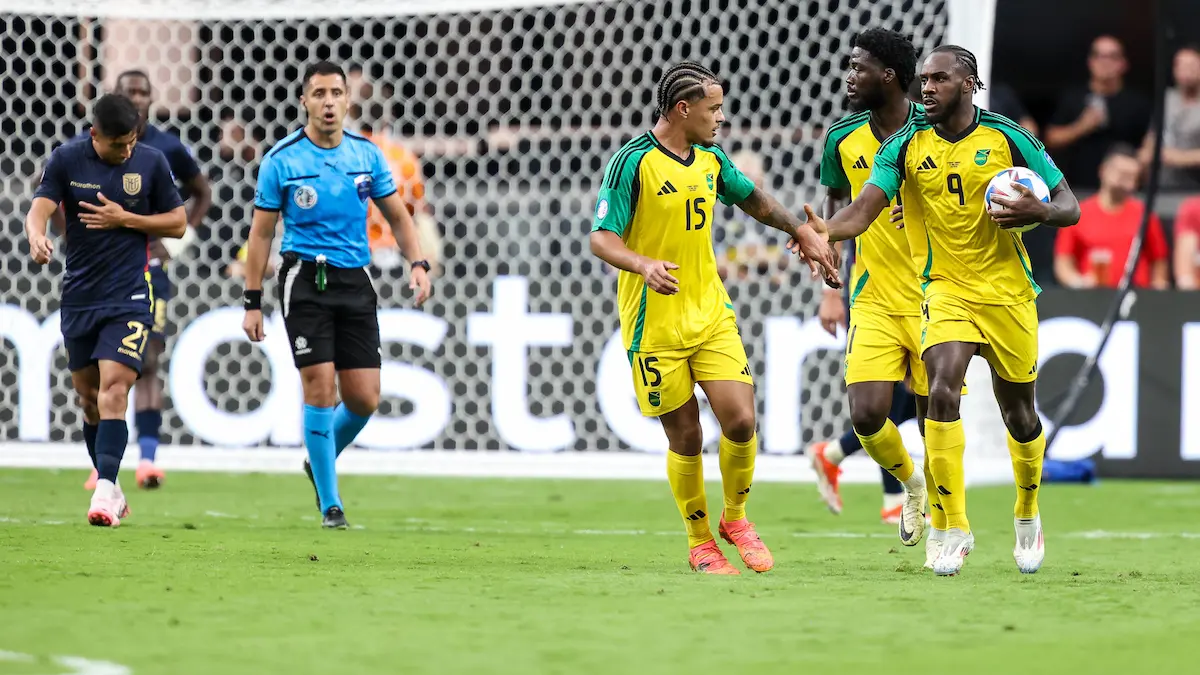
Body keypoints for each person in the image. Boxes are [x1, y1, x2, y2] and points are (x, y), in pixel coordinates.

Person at [798, 46, 1081, 576]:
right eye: (923, 79)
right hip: (944, 290)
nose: (927, 88)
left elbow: (1070, 204)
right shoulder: (905, 143)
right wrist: (825, 230)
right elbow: (864, 206)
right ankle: (952, 526)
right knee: (941, 390)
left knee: (1019, 414)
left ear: (969, 83)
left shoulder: (1007, 136)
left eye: (940, 79)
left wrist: (1038, 209)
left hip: (1009, 294)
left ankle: (1026, 513)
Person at [589, 61, 839, 575]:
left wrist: (802, 232)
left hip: (709, 313)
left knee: (742, 420)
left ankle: (737, 519)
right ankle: (700, 541)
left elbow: (755, 201)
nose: (721, 118)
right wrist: (643, 264)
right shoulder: (632, 162)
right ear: (684, 109)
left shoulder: (710, 158)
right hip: (652, 323)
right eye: (714, 109)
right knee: (685, 437)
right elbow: (600, 237)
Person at [242, 61, 432, 529]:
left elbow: (400, 218)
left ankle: (317, 457)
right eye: (319, 94)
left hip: (355, 281)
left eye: (336, 94)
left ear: (348, 101)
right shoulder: (281, 160)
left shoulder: (367, 156)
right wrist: (252, 300)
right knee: (320, 388)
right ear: (304, 101)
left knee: (365, 399)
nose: (328, 102)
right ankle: (332, 504)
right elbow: (261, 235)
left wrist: (418, 263)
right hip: (304, 281)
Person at [24, 93, 187, 526]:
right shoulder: (66, 159)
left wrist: (127, 219)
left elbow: (177, 221)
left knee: (115, 391)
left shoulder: (150, 162)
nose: (127, 151)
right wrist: (36, 235)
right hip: (80, 296)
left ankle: (102, 492)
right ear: (95, 135)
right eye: (118, 145)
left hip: (130, 295)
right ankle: (112, 489)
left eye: (132, 142)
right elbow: (39, 207)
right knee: (89, 400)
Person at [805, 28, 930, 552]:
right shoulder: (842, 137)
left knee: (932, 417)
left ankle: (945, 522)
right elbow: (835, 210)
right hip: (873, 291)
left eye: (859, 67)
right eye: (849, 66)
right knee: (869, 412)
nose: (849, 76)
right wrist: (829, 287)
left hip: (935, 294)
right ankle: (911, 486)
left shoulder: (937, 131)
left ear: (890, 75)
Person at [72, 70, 213, 491]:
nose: (136, 98)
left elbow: (201, 192)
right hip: (95, 272)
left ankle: (148, 459)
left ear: (153, 99)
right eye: (128, 92)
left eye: (143, 92)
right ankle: (104, 464)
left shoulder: (166, 148)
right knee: (97, 371)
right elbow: (49, 192)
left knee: (146, 360)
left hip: (148, 267)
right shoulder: (87, 147)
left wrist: (178, 242)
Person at [1054, 144, 1169, 290]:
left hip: (1138, 297)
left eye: (1131, 176)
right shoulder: (1077, 213)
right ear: (1103, 170)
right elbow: (1063, 261)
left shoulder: (1145, 215)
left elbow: (1159, 260)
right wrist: (1078, 282)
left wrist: (1158, 288)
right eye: (1120, 173)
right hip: (1091, 297)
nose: (1124, 180)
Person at [1045, 35, 1151, 188]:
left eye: (1112, 57)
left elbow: (1149, 146)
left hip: (1122, 190)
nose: (1105, 62)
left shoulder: (1138, 103)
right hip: (1076, 188)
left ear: (1123, 64)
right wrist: (1081, 127)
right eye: (1099, 56)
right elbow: (1051, 138)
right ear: (1090, 62)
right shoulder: (1072, 97)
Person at [1139, 45, 1200, 190]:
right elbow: (1152, 135)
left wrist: (1176, 157)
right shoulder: (1167, 98)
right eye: (1181, 65)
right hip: (1161, 185)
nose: (1186, 70)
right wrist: (1147, 152)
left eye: (1192, 65)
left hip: (1193, 189)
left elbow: (1169, 156)